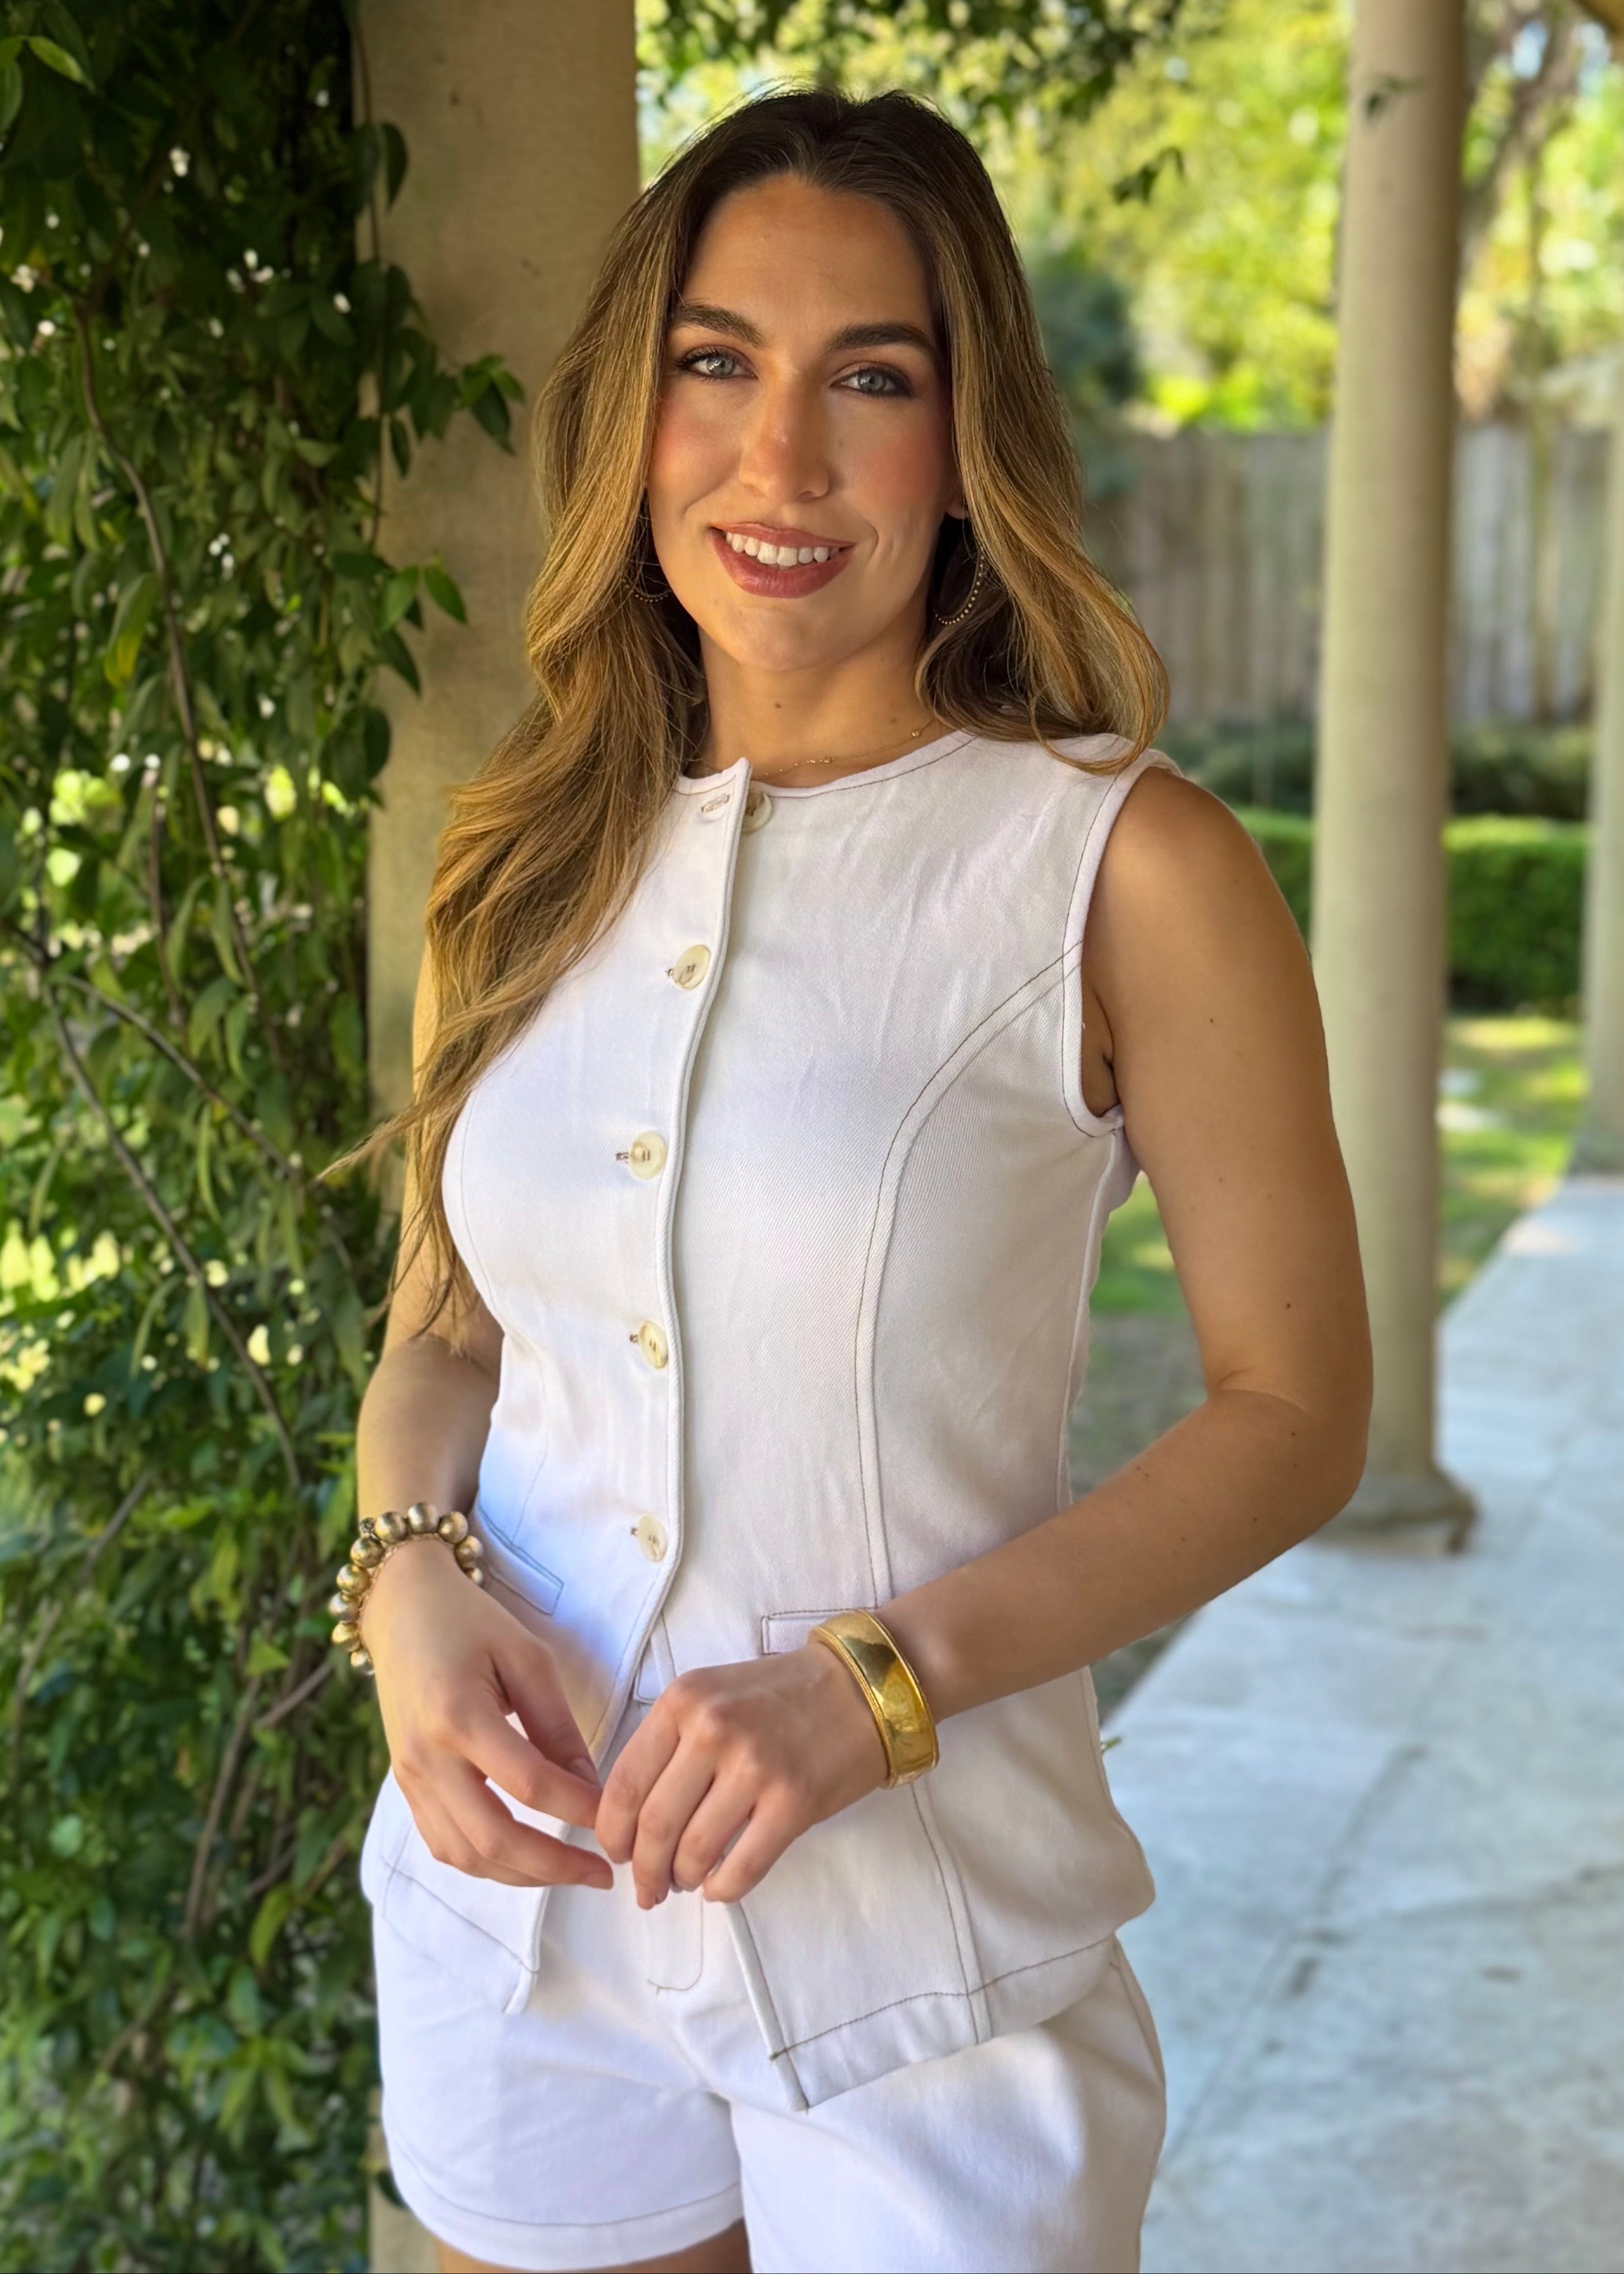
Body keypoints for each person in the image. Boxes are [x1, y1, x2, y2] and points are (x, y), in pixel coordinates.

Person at [345, 86, 1371, 2274]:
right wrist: (406, 1580)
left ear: (967, 436)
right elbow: (444, 1334)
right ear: (632, 414)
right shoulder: (514, 853)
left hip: (932, 1967)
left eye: (871, 379)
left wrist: (872, 1681)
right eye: (715, 362)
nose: (779, 458)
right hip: (520, 1928)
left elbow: (1295, 1413)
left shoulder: (1125, 867)